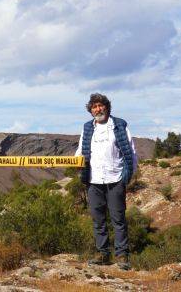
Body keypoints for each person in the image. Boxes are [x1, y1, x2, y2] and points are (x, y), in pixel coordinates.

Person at [75, 93, 138, 270]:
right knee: (98, 219)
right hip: (93, 180)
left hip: (115, 178)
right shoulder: (87, 128)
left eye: (100, 105)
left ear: (107, 107)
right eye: (94, 107)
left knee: (118, 219)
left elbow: (131, 152)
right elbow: (80, 150)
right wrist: (76, 163)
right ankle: (103, 254)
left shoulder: (119, 125)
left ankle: (122, 256)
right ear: (91, 110)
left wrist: (128, 176)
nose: (98, 109)